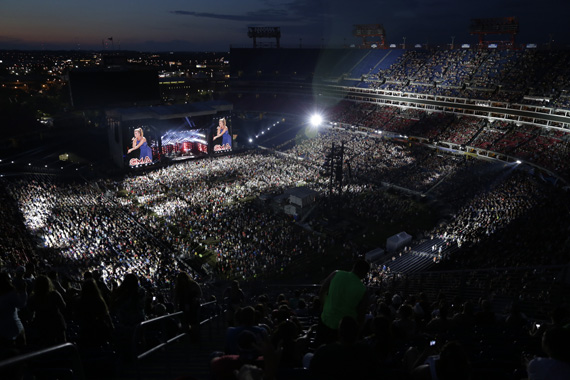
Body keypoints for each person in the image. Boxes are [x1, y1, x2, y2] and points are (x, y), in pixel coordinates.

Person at [316, 259, 370, 347]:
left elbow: (322, 291)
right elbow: (361, 315)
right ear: (365, 274)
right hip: (344, 331)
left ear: (354, 267)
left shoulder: (336, 274)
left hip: (325, 320)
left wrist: (325, 306)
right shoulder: (363, 290)